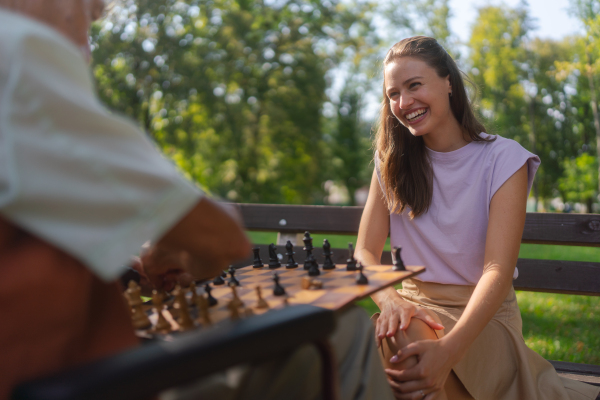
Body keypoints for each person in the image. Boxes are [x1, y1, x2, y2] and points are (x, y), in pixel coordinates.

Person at [0, 1, 394, 399]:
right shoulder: (18, 52)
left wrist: (128, 264)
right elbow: (220, 238)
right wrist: (174, 247)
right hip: (88, 384)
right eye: (91, 14)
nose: (87, 48)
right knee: (344, 328)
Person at [355, 36, 600, 400]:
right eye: (393, 94)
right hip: (414, 310)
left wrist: (449, 350)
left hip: (482, 320)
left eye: (415, 85)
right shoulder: (390, 163)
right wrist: (390, 300)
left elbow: (497, 271)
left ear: (449, 82)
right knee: (401, 339)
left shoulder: (504, 159)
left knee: (405, 354)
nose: (404, 103)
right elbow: (364, 252)